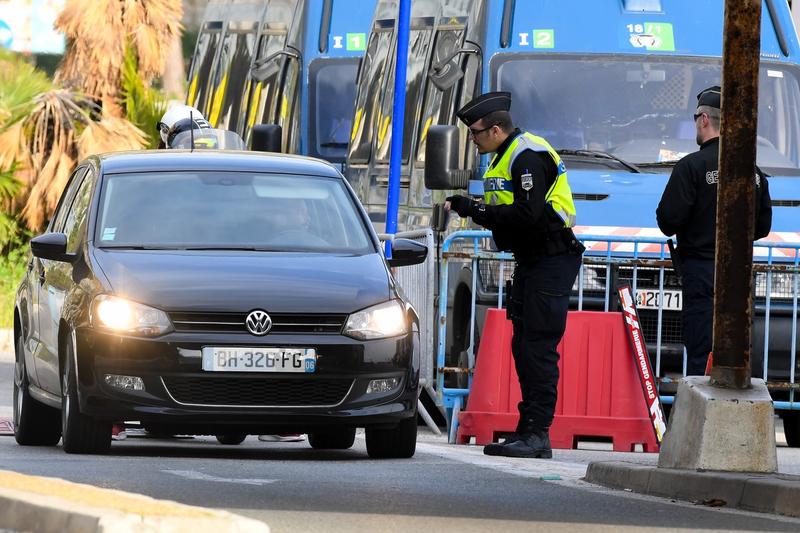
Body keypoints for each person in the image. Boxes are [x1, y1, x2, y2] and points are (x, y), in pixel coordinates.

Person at [445, 92, 584, 458]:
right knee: (523, 347)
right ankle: (527, 429)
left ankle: (538, 434)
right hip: (533, 261)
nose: (473, 141)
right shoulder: (503, 158)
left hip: (552, 260)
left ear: (495, 129)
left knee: (537, 348)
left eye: (475, 133)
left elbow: (528, 215)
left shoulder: (526, 157)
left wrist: (473, 209)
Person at [656, 86, 772, 376]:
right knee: (735, 352)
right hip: (739, 274)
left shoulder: (690, 167)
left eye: (696, 117)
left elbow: (668, 220)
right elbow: (762, 226)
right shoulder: (753, 172)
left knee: (701, 351)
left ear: (704, 119)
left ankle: (703, 412)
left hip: (701, 272)